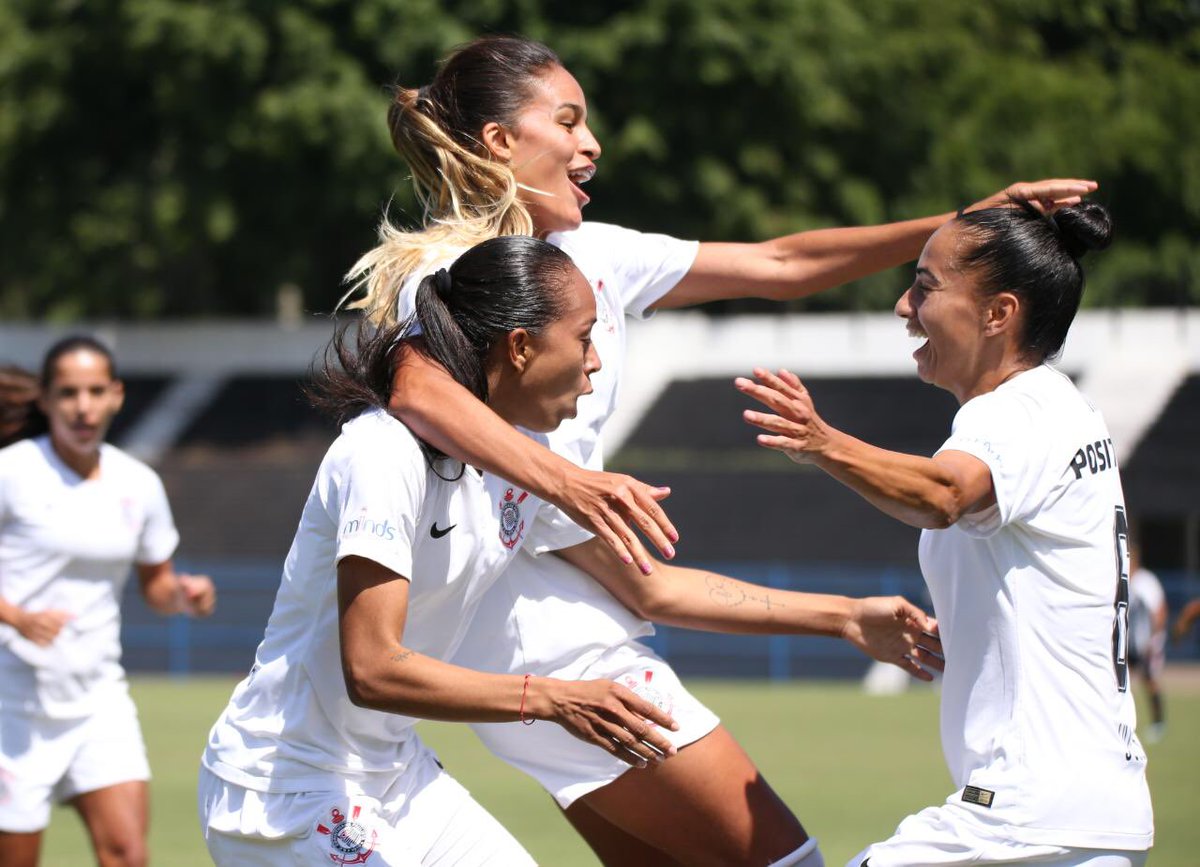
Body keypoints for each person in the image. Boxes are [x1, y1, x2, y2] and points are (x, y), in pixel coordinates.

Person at [345, 33, 1094, 866]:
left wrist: (970, 223)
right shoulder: (455, 279)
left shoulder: (589, 257)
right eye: (568, 120)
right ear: (499, 141)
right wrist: (572, 485)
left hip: (570, 630)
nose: (592, 143)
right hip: (546, 645)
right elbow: (417, 390)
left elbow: (783, 261)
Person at [201, 234, 942, 866]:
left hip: (395, 773)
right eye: (585, 338)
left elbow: (654, 588)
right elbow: (372, 669)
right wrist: (551, 699)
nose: (595, 363)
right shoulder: (382, 455)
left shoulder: (522, 466)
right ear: (520, 346)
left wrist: (845, 617)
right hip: (282, 789)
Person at [740, 199, 1154, 865]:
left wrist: (823, 443)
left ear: (998, 313)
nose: (903, 306)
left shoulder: (1018, 412)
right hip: (1086, 813)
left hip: (1025, 815)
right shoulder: (1060, 409)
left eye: (926, 287)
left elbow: (944, 494)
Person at [0, 335, 216, 867]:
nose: (83, 407)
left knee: (127, 854)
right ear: (46, 399)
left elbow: (156, 586)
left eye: (96, 391)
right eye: (68, 393)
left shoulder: (138, 484)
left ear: (116, 395)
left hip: (98, 700)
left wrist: (183, 595)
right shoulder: (13, 472)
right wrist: (16, 617)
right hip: (13, 706)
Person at [1127, 541, 1167, 741]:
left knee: (1149, 681)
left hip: (1147, 644)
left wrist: (1152, 639)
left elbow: (1160, 611)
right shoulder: (1119, 578)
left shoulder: (1146, 581)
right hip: (1126, 644)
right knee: (1120, 683)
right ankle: (1123, 723)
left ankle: (1158, 722)